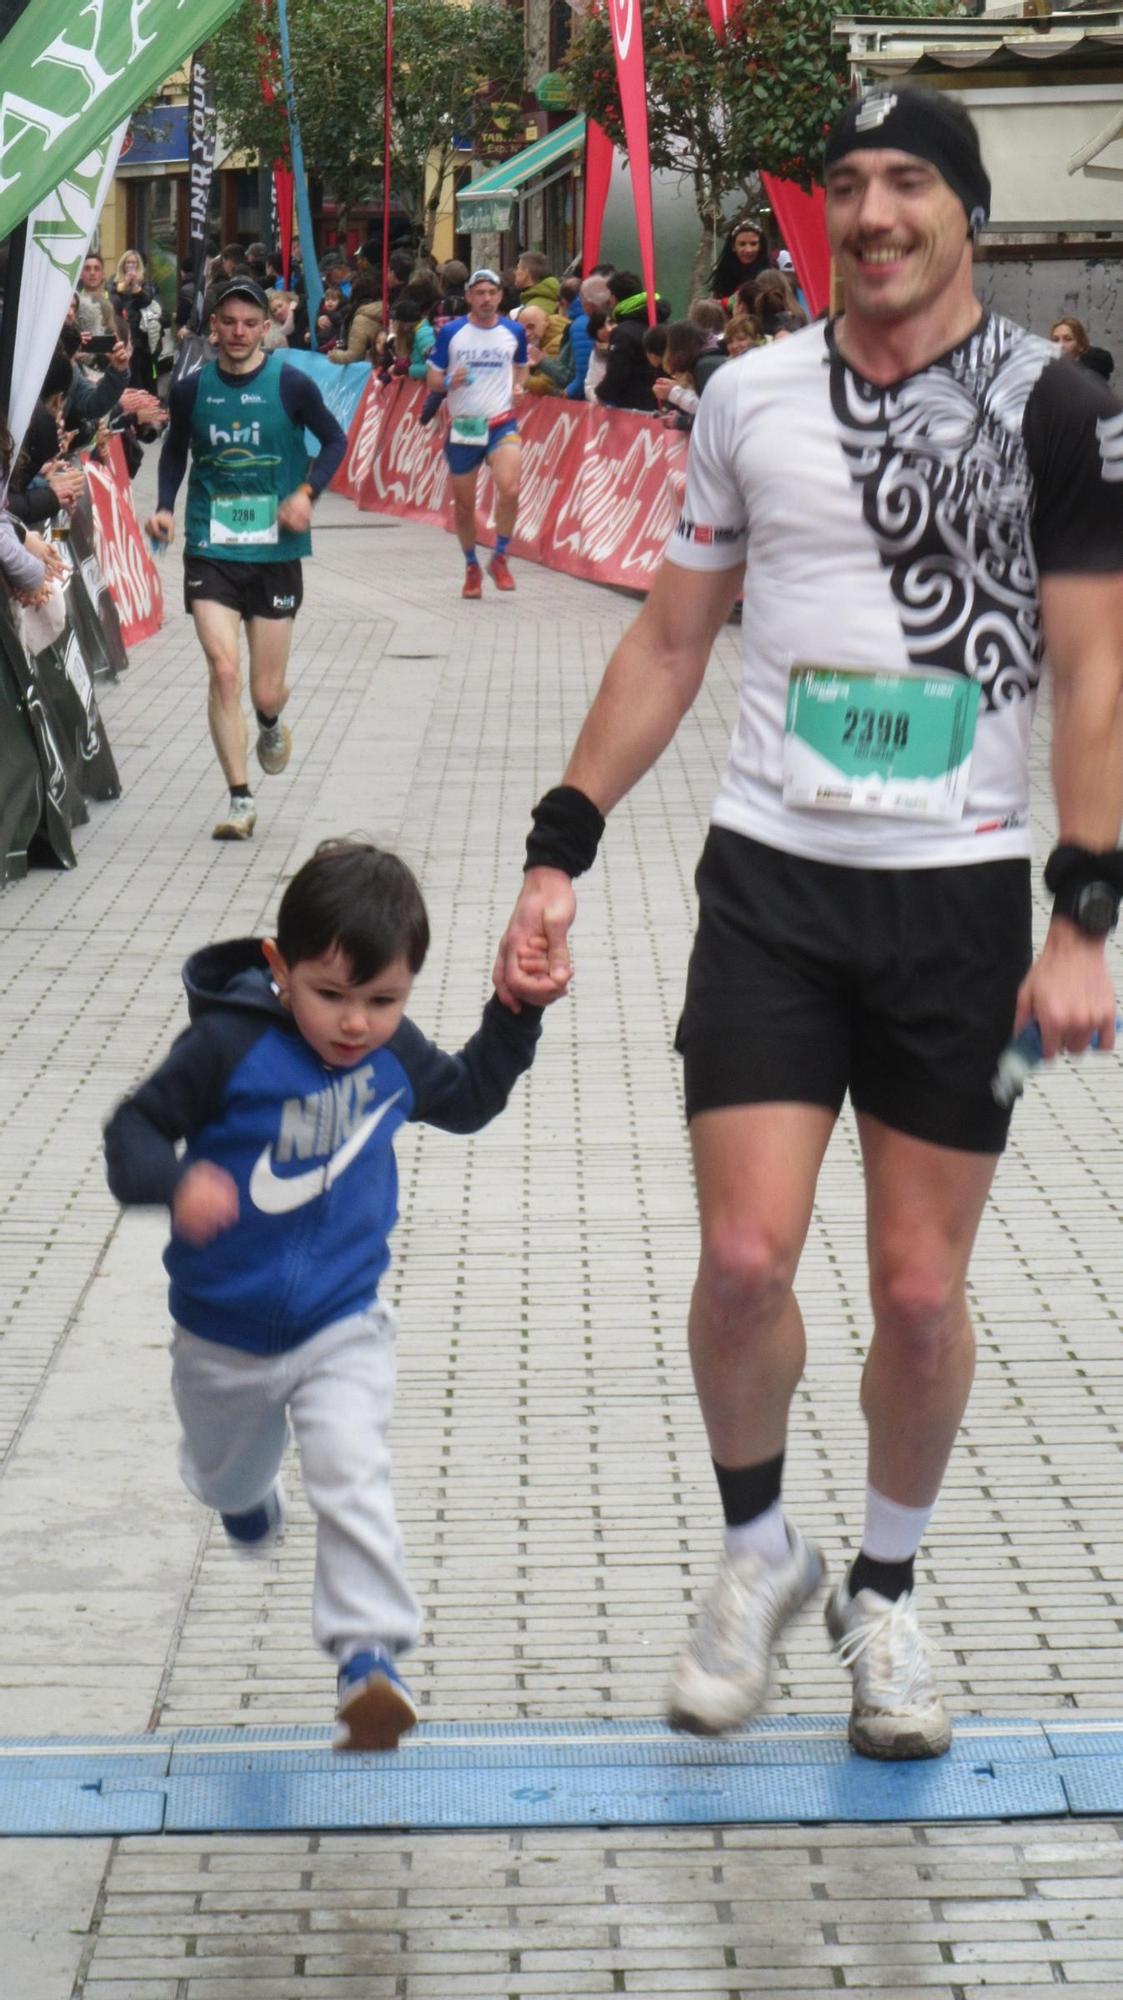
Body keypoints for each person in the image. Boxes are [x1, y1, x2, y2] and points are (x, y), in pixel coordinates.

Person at [493, 85, 1123, 1762]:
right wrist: (560, 845)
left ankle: (888, 1597)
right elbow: (667, 642)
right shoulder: (749, 401)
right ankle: (758, 1545)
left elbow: (1090, 669)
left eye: (906, 180)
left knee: (916, 1293)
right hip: (769, 882)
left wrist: (1083, 914)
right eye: (845, 185)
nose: (871, 212)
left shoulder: (1051, 411)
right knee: (741, 1259)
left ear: (963, 210)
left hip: (959, 903)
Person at [103, 838, 544, 1750]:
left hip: (342, 1321)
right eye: (330, 995)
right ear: (278, 969)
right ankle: (241, 1494)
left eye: (383, 1001)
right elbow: (135, 1126)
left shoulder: (392, 1057)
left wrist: (515, 1015)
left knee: (352, 1474)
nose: (355, 1024)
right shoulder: (227, 1045)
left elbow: (465, 1100)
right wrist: (173, 1183)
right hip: (221, 1334)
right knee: (227, 1472)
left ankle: (369, 1656)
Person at [145, 276, 347, 842]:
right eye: (228, 323)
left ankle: (271, 722)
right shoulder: (191, 389)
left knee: (264, 689)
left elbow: (335, 442)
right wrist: (164, 507)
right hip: (211, 547)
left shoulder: (292, 384)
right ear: (214, 327)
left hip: (275, 551)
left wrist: (306, 496)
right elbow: (175, 451)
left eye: (249, 323)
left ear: (266, 327)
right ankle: (239, 798)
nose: (238, 333)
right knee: (223, 670)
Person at [426, 268, 528, 599]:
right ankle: (471, 565)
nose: (486, 299)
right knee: (465, 506)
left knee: (510, 489)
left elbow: (522, 363)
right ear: (469, 296)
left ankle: (500, 556)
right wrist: (448, 382)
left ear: (500, 296)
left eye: (492, 293)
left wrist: (519, 384)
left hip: (501, 422)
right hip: (465, 425)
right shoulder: (452, 332)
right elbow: (432, 380)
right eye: (480, 293)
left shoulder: (514, 331)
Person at [597, 271, 671, 412]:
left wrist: (601, 393)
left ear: (613, 298)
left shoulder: (623, 332)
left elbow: (617, 374)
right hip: (664, 403)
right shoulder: (664, 323)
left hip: (635, 407)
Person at [711, 219, 771, 307]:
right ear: (733, 246)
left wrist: (723, 303)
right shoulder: (723, 274)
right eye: (742, 244)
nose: (748, 250)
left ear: (760, 246)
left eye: (753, 244)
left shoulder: (769, 275)